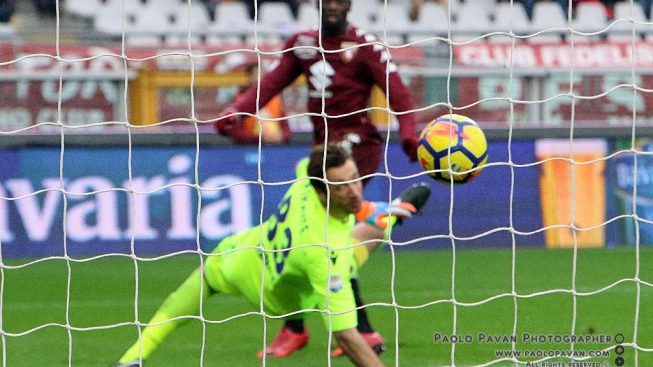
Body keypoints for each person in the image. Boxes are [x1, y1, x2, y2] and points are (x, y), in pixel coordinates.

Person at [215, 0, 421, 357]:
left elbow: (399, 96)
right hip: (321, 156)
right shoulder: (303, 44)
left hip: (358, 150)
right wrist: (237, 110)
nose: (334, 6)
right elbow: (271, 84)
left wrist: (409, 134)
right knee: (317, 239)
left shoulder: (367, 47)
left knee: (325, 237)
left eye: (341, 1)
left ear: (350, 5)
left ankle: (323, 330)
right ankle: (386, 219)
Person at [114, 144, 431, 366]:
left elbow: (325, 179)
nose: (354, 189)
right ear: (322, 190)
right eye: (341, 186)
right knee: (359, 244)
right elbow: (346, 337)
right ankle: (392, 212)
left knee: (181, 300)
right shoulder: (325, 255)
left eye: (354, 178)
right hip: (281, 300)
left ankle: (132, 358)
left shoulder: (305, 180)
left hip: (238, 254)